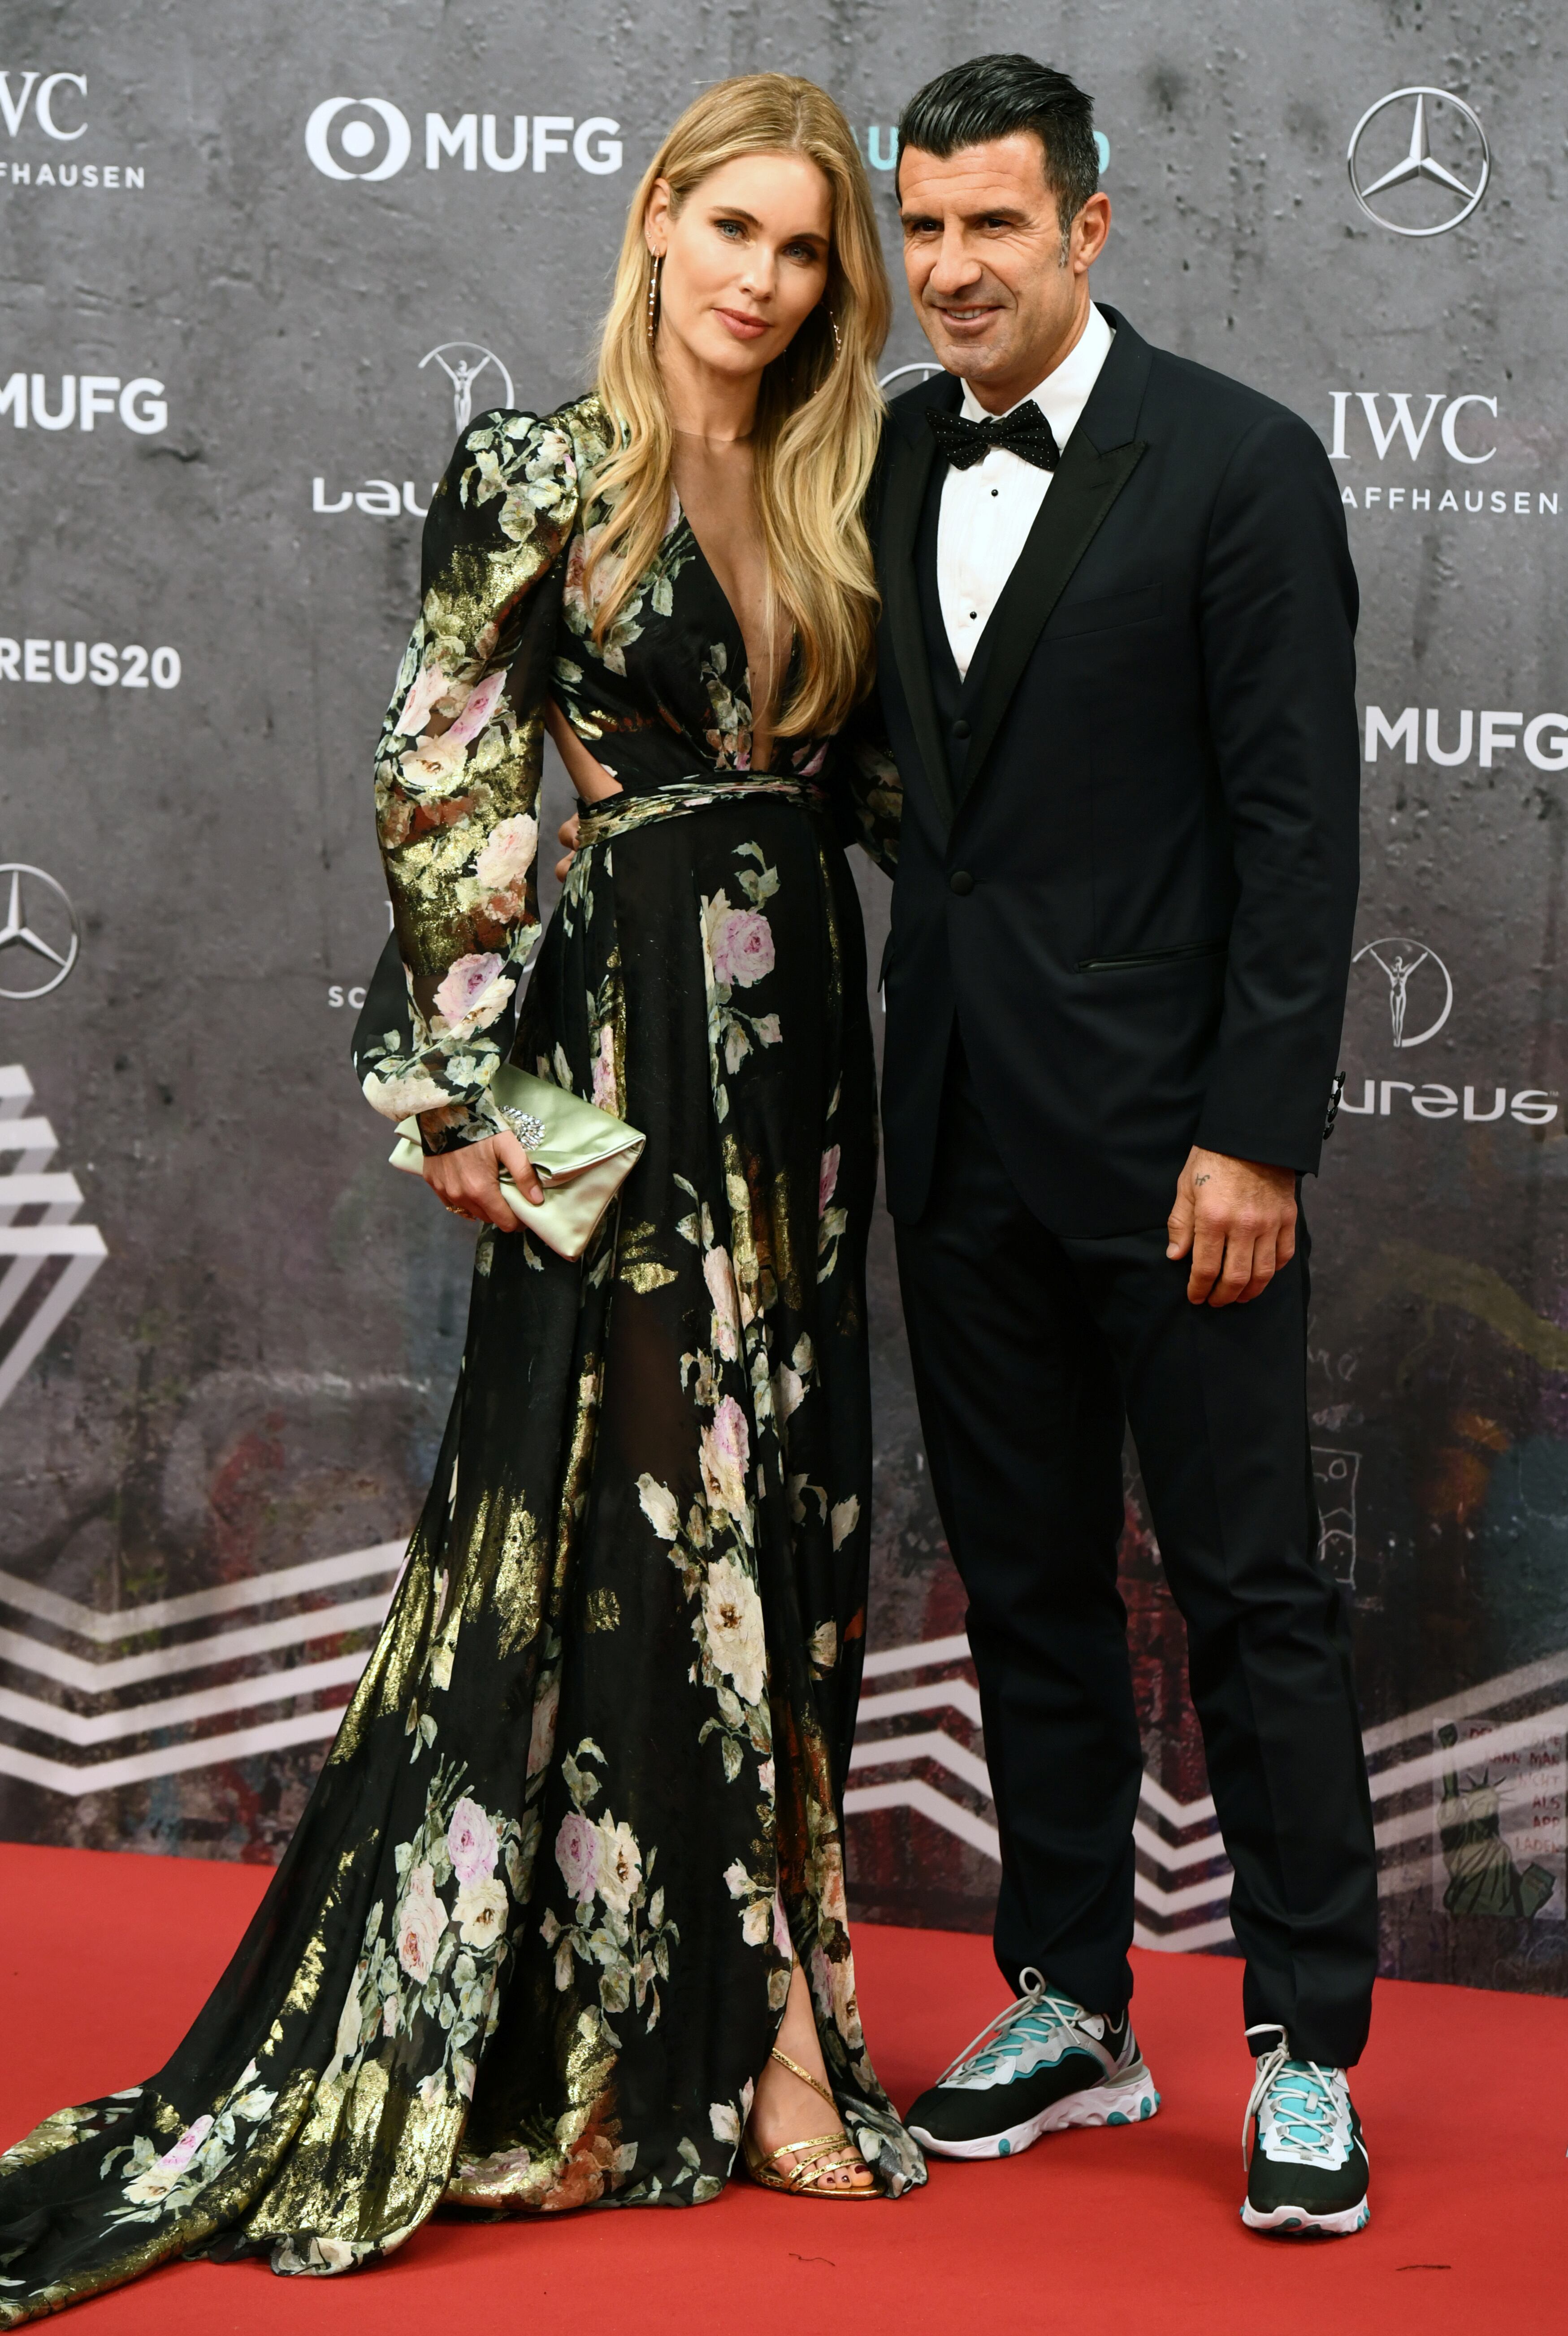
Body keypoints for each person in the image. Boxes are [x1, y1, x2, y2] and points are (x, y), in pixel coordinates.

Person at [0, 74, 924, 2325]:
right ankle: (689, 2037)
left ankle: (763, 1995)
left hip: (804, 1046)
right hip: (617, 1049)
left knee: (782, 1505)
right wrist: (454, 1095)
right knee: (636, 1503)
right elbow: (439, 769)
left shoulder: (837, 485)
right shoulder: (537, 464)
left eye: (806, 254)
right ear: (657, 222)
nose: (762, 281)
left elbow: (892, 783)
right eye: (733, 230)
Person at [844, 54, 1380, 2238]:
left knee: (1252, 1596)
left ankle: (1302, 2046)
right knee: (1028, 1590)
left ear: (1089, 225)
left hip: (1181, 1160)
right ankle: (1068, 1996)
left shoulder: (1238, 466)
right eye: (923, 225)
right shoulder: (878, 448)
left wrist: (1256, 1135)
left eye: (994, 224)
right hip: (955, 1132)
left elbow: (1296, 831)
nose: (948, 267)